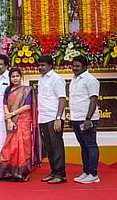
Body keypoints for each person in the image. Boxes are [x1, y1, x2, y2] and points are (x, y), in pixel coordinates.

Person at [0, 67, 39, 181]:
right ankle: (10, 173)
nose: (15, 79)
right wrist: (9, 119)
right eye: (13, 76)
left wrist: (12, 114)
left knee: (23, 146)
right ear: (10, 78)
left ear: (21, 77)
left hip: (23, 120)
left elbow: (27, 106)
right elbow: (5, 104)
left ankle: (22, 173)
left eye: (17, 76)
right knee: (11, 147)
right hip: (12, 120)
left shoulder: (27, 90)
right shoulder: (7, 90)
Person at [69, 55, 100, 184]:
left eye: (77, 66)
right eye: (73, 66)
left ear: (85, 67)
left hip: (87, 119)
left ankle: (93, 174)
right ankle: (86, 171)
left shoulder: (91, 80)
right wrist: (72, 118)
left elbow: (94, 99)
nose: (74, 69)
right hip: (76, 118)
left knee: (91, 145)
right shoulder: (74, 79)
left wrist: (88, 118)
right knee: (83, 146)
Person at [37, 54, 67, 184]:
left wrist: (58, 118)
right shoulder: (41, 78)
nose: (40, 67)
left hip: (54, 117)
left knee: (57, 146)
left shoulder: (57, 79)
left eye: (43, 65)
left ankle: (61, 174)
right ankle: (53, 172)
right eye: (39, 65)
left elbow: (62, 99)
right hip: (43, 117)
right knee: (49, 147)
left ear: (50, 65)